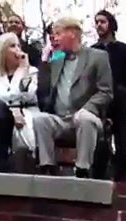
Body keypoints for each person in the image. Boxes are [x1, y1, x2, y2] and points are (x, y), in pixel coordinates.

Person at [32, 17, 113, 178]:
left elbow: (106, 92)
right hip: (62, 120)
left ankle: (82, 170)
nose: (54, 38)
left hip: (87, 119)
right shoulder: (56, 61)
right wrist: (44, 62)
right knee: (40, 119)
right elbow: (43, 91)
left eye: (58, 33)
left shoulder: (98, 57)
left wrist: (87, 109)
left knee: (84, 118)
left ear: (72, 34)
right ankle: (47, 168)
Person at [0, 33, 41, 172]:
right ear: (2, 51)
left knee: (0, 107)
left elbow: (28, 95)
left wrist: (24, 70)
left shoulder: (31, 71)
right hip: (2, 116)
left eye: (18, 46)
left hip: (26, 114)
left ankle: (2, 163)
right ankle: (1, 161)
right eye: (12, 46)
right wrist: (13, 109)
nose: (17, 50)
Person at [94, 10, 126, 181]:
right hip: (98, 100)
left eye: (102, 21)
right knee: (97, 139)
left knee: (121, 140)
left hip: (120, 102)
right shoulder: (92, 51)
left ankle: (122, 177)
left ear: (110, 24)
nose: (99, 25)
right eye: (96, 22)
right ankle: (97, 175)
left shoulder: (125, 50)